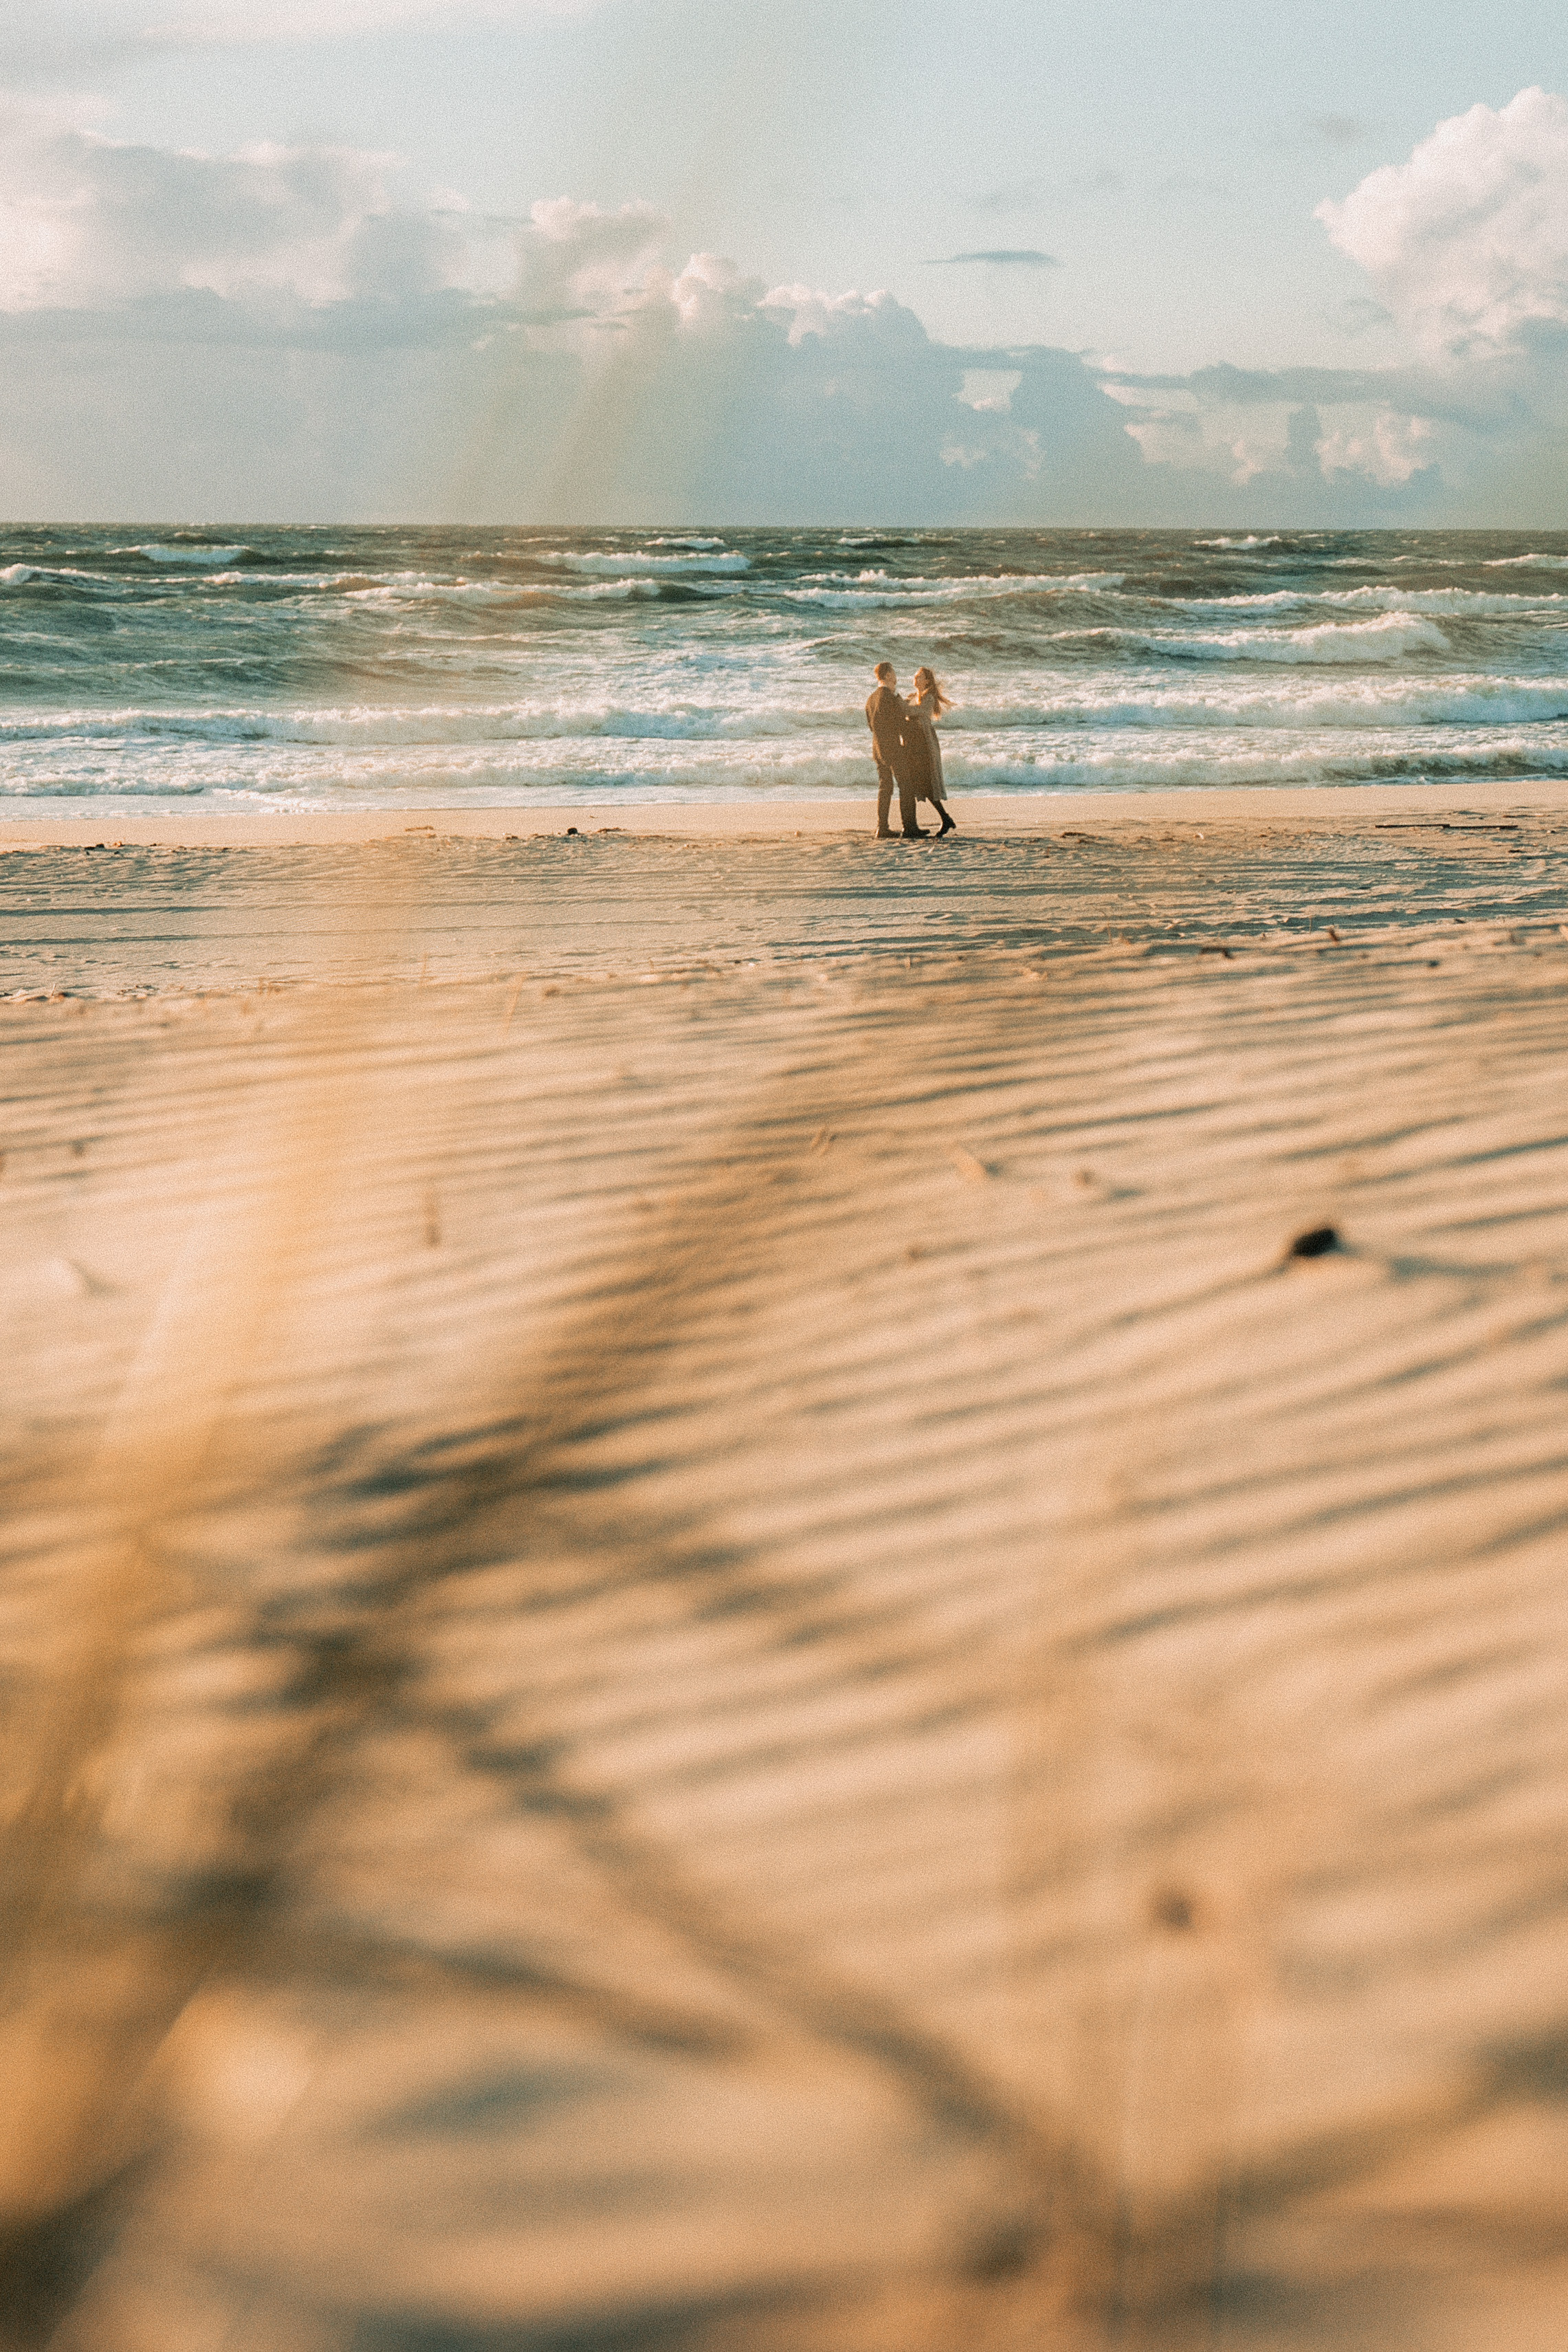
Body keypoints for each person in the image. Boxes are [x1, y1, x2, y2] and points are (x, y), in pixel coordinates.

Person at [864, 663, 928, 839]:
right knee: (906, 786)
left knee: (885, 787)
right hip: (892, 748)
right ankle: (909, 827)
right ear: (889, 675)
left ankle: (882, 828)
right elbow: (900, 725)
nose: (896, 676)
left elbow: (871, 726)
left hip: (877, 749)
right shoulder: (889, 698)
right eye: (894, 673)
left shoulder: (871, 699)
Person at [909, 666, 956, 835]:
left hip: (925, 743)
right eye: (915, 675)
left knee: (928, 782)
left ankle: (946, 819)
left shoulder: (928, 698)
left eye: (919, 676)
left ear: (927, 681)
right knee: (925, 784)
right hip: (916, 743)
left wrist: (900, 705)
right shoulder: (914, 697)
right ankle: (946, 819)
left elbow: (916, 712)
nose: (915, 678)